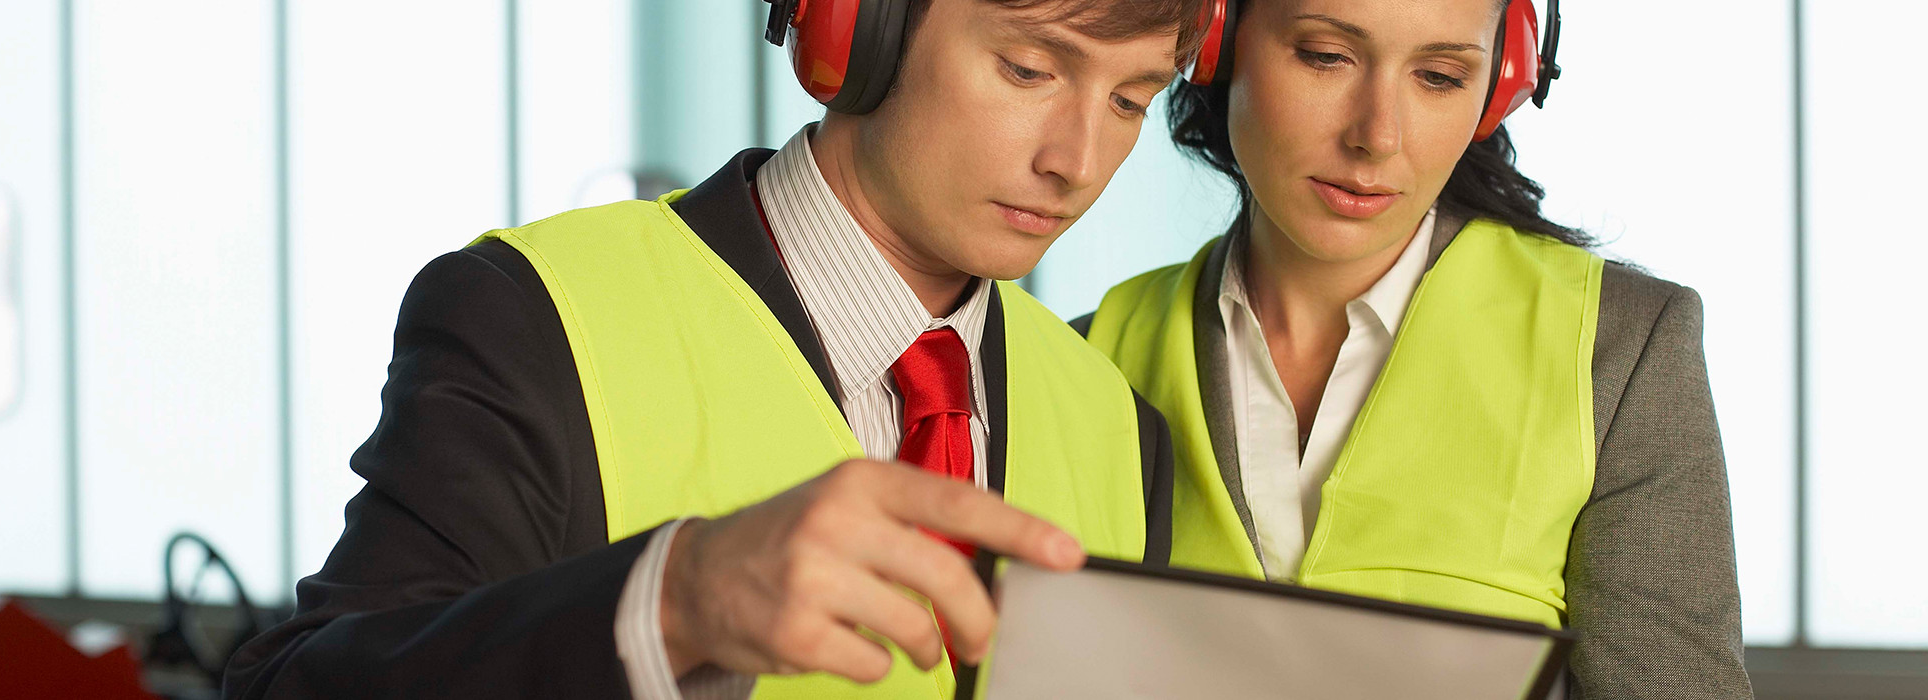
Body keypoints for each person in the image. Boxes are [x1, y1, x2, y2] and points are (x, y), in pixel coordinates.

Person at [223, 0, 1205, 698]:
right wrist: (671, 604)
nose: (1075, 161)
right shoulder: (533, 319)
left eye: (1129, 101)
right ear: (855, 28)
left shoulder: (1120, 427)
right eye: (1029, 69)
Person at [1076, 0, 1754, 697]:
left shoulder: (1619, 348)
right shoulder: (1082, 360)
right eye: (1325, 56)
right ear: (1214, 38)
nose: (1378, 136)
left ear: (1502, 82)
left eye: (1438, 75)